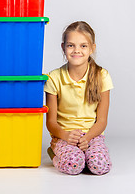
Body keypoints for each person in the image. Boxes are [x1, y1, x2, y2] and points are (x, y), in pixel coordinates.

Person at [44, 21, 113, 175]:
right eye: (71, 45)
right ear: (63, 47)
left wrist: (87, 138)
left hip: (92, 135)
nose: (77, 50)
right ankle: (54, 153)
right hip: (64, 135)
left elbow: (102, 121)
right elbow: (51, 122)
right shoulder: (53, 78)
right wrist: (66, 136)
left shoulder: (102, 76)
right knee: (74, 165)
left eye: (83, 46)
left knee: (99, 166)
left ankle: (87, 156)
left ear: (92, 48)